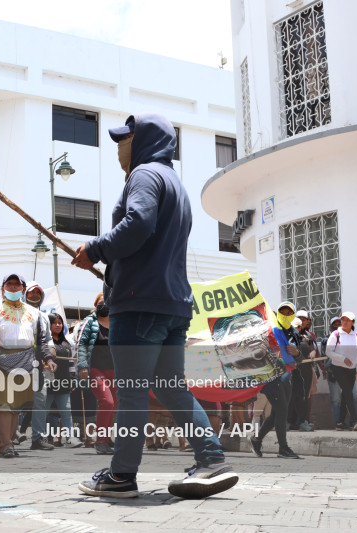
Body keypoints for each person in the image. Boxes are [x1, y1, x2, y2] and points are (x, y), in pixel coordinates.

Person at [71, 114, 238, 499]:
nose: (119, 147)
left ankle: (121, 476)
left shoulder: (144, 175)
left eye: (124, 139)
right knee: (170, 387)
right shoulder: (175, 183)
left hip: (140, 304)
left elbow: (139, 223)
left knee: (131, 390)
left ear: (143, 140)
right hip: (173, 304)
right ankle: (212, 460)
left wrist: (96, 249)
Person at [0, 274, 55, 458]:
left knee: (16, 406)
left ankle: (4, 441)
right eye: (9, 284)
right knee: (3, 405)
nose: (13, 288)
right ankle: (7, 444)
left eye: (17, 285)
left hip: (26, 362)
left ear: (23, 289)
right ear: (2, 289)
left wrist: (48, 359)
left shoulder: (35, 314)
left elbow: (41, 340)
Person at [249, 302, 301, 460]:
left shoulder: (294, 333)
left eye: (288, 312)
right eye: (282, 312)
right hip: (271, 378)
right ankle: (283, 448)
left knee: (277, 413)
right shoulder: (271, 330)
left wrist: (297, 353)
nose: (285, 315)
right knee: (282, 411)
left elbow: (299, 358)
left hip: (287, 378)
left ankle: (256, 439)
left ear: (292, 315)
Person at [76, 293, 116, 455]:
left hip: (114, 370)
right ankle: (100, 440)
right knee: (107, 402)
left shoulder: (117, 323)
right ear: (95, 305)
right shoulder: (89, 322)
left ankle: (106, 439)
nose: (104, 305)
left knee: (113, 404)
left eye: (107, 303)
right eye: (100, 303)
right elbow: (81, 344)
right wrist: (82, 366)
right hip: (95, 369)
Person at [24, 281, 54, 451]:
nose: (34, 295)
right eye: (31, 293)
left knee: (40, 400)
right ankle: (8, 437)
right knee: (14, 402)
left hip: (37, 365)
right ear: (25, 295)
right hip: (17, 363)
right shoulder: (16, 313)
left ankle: (38, 438)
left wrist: (51, 350)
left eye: (37, 293)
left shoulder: (43, 317)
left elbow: (48, 338)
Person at [47, 312, 82, 448]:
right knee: (43, 411)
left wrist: (72, 379)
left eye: (60, 323)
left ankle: (70, 438)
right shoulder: (45, 342)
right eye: (54, 322)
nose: (57, 325)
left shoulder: (66, 343)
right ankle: (40, 437)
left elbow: (71, 364)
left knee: (66, 411)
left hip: (64, 382)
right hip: (48, 383)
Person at [326, 311, 357, 431]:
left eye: (348, 320)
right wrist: (342, 358)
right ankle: (354, 420)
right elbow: (328, 352)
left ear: (353, 322)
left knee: (345, 395)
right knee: (349, 392)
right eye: (343, 319)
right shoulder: (336, 334)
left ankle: (340, 422)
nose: (344, 322)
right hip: (338, 368)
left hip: (351, 369)